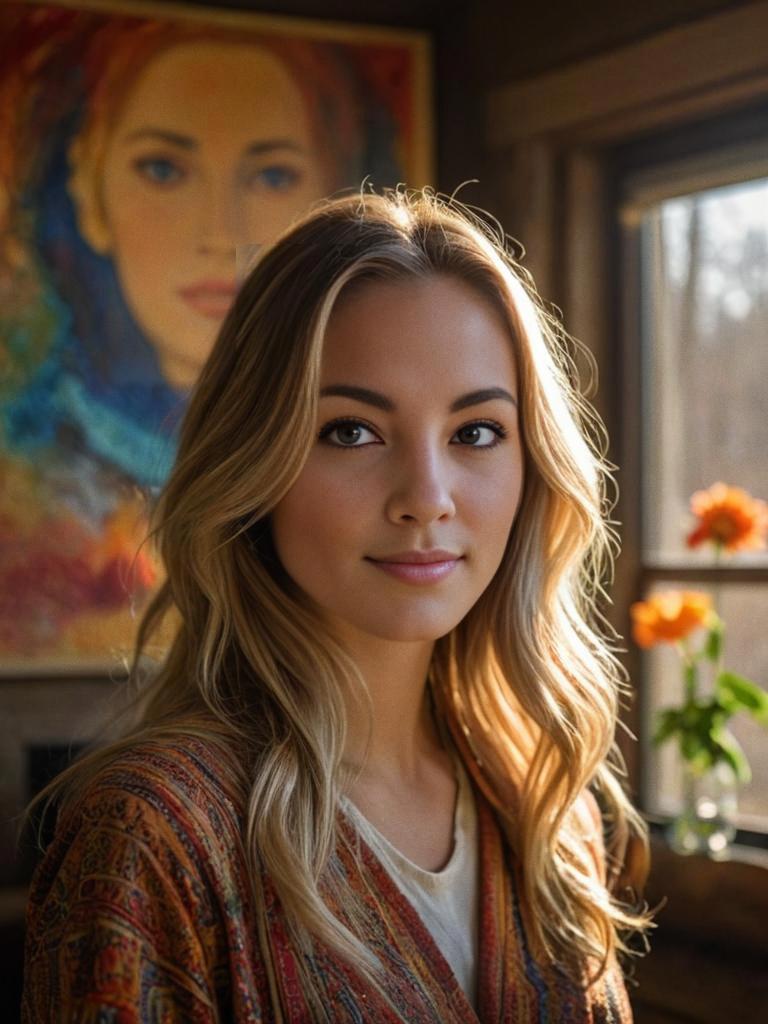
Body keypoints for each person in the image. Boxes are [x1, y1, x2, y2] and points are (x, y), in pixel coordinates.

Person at [21, 187, 654, 1022]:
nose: (427, 498)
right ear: (257, 467)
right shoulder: (152, 838)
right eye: (351, 431)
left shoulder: (538, 804)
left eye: (476, 433)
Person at [0, 7, 401, 661]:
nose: (220, 232)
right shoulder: (31, 468)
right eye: (163, 169)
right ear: (89, 190)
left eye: (272, 175)